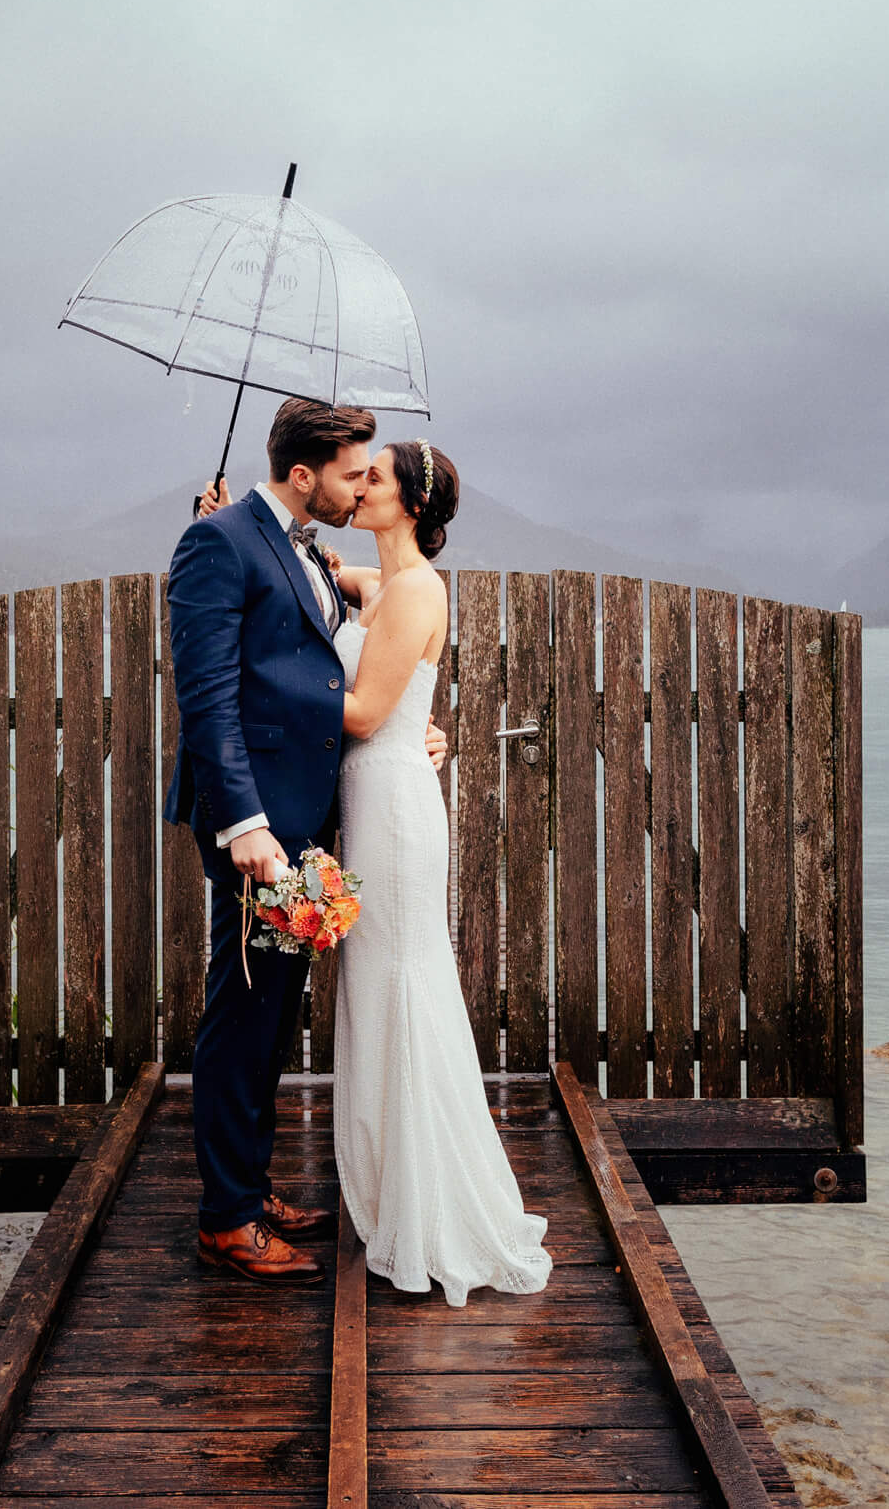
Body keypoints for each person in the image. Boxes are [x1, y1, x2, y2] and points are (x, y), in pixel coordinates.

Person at [164, 399, 447, 1284]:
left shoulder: (302, 549)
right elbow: (211, 695)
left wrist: (414, 729)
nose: (362, 483)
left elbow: (333, 656)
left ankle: (249, 1187)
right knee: (241, 1012)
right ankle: (227, 1219)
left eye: (374, 474)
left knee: (273, 1010)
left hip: (306, 822)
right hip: (259, 831)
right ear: (302, 475)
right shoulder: (224, 542)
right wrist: (243, 824)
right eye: (351, 471)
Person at [331, 439, 552, 1305]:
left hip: (391, 810)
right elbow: (322, 568)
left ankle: (430, 1206)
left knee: (402, 984)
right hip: (380, 797)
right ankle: (395, 1184)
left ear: (411, 503)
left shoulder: (419, 588)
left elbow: (366, 711)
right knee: (383, 984)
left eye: (374, 476)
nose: (360, 484)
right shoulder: (384, 584)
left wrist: (263, 688)